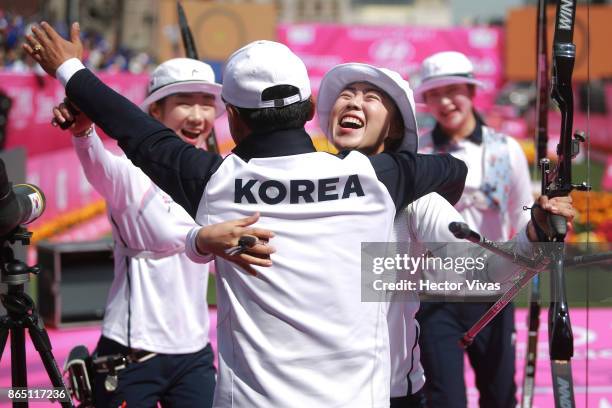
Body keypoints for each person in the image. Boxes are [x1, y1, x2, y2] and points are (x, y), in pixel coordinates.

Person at [25, 22, 469, 407]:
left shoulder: (215, 183)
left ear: (232, 118)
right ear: (312, 110)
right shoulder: (378, 178)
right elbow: (453, 169)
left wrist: (71, 69)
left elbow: (136, 133)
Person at [316, 62, 576, 408]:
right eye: (345, 96)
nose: (352, 103)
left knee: (499, 395)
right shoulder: (306, 183)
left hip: (396, 378)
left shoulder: (427, 183)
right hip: (316, 385)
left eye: (371, 98)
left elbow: (486, 261)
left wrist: (535, 232)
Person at [50, 56, 274, 407]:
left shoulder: (218, 179)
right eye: (184, 102)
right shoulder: (127, 174)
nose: (198, 116)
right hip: (131, 353)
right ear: (153, 113)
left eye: (206, 105)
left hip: (195, 355)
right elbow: (94, 159)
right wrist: (83, 130)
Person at [413, 51, 534, 408]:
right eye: (435, 94)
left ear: (471, 90)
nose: (446, 101)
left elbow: (522, 212)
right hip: (435, 297)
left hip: (493, 292)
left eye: (453, 90)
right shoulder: (419, 150)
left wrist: (539, 232)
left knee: (500, 396)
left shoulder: (505, 149)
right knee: (443, 398)